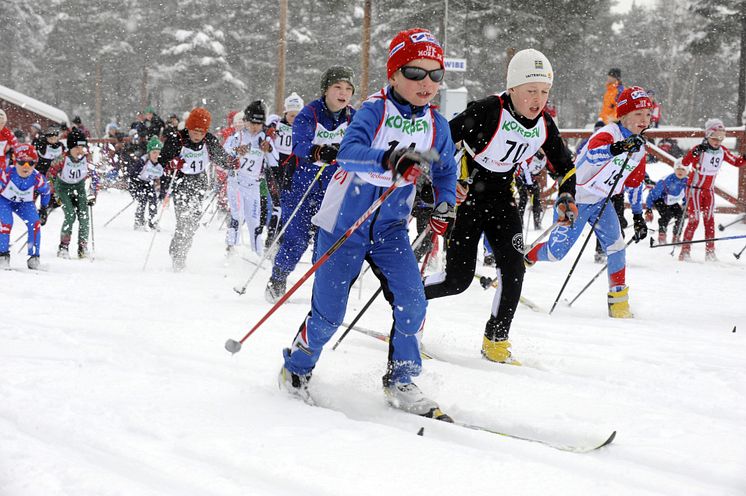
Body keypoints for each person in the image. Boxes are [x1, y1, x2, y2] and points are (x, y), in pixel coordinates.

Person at [279, 28, 456, 418]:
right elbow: (349, 153)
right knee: (329, 317)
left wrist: (445, 203)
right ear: (393, 75)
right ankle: (297, 366)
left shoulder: (437, 125)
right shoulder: (375, 111)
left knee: (413, 302)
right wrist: (391, 161)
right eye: (414, 73)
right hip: (344, 225)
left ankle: (402, 380)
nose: (426, 83)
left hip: (391, 228)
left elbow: (446, 169)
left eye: (435, 75)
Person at [424, 48, 576, 364]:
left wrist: (566, 196)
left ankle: (496, 341)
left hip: (502, 200)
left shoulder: (544, 124)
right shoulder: (487, 111)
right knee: (457, 281)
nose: (538, 99)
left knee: (514, 270)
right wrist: (449, 183)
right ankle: (408, 308)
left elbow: (564, 165)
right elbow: (440, 142)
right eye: (531, 91)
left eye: (544, 92)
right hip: (467, 201)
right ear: (512, 89)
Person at [526, 86, 654, 318]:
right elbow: (593, 153)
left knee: (617, 247)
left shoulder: (639, 148)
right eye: (638, 114)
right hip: (575, 198)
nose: (644, 120)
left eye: (647, 115)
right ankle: (529, 256)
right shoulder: (608, 133)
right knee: (556, 254)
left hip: (600, 202)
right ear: (623, 115)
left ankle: (619, 304)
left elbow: (634, 184)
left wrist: (637, 216)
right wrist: (620, 147)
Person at [265, 66, 356, 302]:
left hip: (333, 186)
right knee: (297, 239)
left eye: (348, 88)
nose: (343, 92)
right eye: (337, 87)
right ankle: (278, 277)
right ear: (326, 90)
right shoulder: (310, 112)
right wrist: (318, 151)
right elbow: (299, 145)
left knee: (327, 240)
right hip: (302, 183)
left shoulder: (353, 117)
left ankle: (323, 289)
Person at [158, 107, 228, 271]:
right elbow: (162, 161)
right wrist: (172, 163)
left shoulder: (209, 140)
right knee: (184, 219)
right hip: (181, 181)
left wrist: (232, 163)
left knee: (193, 221)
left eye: (202, 132)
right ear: (188, 128)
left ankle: (182, 250)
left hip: (199, 181)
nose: (198, 136)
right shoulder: (177, 139)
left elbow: (221, 157)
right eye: (195, 131)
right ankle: (178, 255)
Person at [679, 118, 746, 261]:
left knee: (709, 220)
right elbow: (685, 162)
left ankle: (710, 251)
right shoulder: (700, 149)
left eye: (721, 138)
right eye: (714, 138)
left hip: (708, 191)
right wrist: (694, 153)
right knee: (694, 220)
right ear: (707, 136)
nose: (717, 141)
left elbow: (736, 162)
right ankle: (685, 251)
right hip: (694, 190)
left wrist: (744, 157)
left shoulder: (722, 151)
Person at [223, 101, 278, 256]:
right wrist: (235, 151)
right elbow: (224, 154)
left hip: (253, 185)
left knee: (254, 220)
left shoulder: (264, 138)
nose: (255, 127)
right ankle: (230, 247)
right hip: (236, 182)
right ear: (246, 121)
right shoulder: (238, 136)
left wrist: (269, 149)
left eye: (259, 123)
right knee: (237, 215)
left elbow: (275, 161)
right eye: (252, 122)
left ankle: (257, 253)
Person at [46, 128, 98, 258]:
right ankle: (63, 247)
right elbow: (50, 175)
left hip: (79, 187)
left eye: (82, 147)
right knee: (70, 215)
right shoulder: (62, 159)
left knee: (84, 215)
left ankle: (82, 247)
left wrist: (92, 194)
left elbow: (95, 177)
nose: (80, 151)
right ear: (70, 147)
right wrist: (54, 194)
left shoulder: (86, 159)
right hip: (63, 188)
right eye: (77, 148)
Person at [0, 144, 52, 270]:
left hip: (24, 204)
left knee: (34, 224)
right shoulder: (6, 175)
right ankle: (3, 256)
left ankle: (34, 258)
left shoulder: (38, 178)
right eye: (22, 162)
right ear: (15, 161)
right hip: (4, 201)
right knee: (6, 223)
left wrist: (44, 208)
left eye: (31, 163)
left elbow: (46, 192)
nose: (26, 167)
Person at [645, 159, 689, 244]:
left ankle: (676, 236)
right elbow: (652, 195)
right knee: (667, 215)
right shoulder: (666, 180)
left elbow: (686, 196)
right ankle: (662, 235)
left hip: (671, 201)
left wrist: (686, 207)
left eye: (683, 169)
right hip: (659, 199)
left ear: (687, 171)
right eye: (678, 168)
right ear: (675, 169)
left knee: (681, 216)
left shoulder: (687, 182)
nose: (680, 171)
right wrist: (648, 209)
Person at [128, 136, 164, 231]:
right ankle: (138, 221)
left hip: (148, 183)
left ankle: (152, 221)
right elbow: (132, 175)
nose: (156, 155)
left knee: (153, 198)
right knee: (143, 198)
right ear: (149, 152)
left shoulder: (159, 164)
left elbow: (161, 176)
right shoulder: (142, 162)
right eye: (154, 152)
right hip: (136, 184)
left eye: (158, 152)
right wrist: (140, 182)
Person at [515, 149, 547, 230]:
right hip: (520, 177)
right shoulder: (530, 154)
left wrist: (535, 177)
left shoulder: (544, 158)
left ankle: (537, 222)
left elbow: (537, 169)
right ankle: (519, 221)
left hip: (531, 178)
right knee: (523, 198)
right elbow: (525, 169)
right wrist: (528, 183)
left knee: (536, 199)